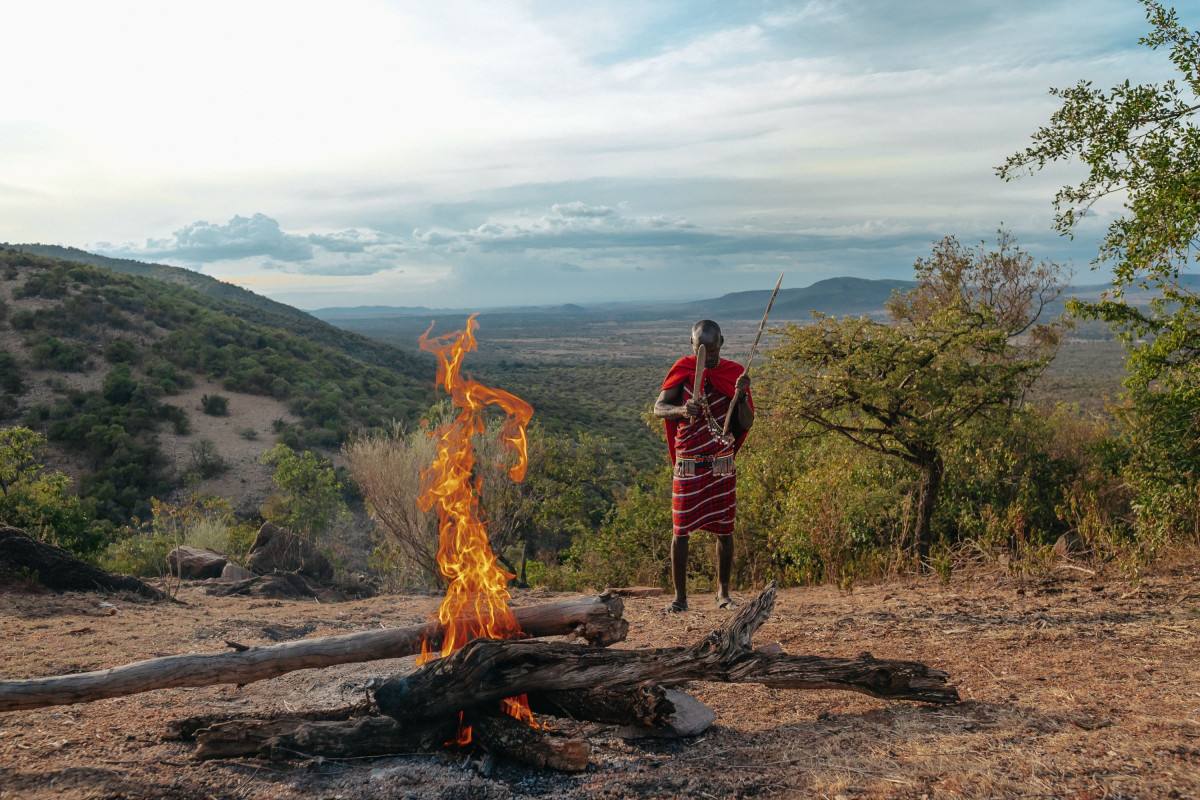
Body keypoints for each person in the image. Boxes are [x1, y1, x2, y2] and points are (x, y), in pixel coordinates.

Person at [654, 319, 754, 612]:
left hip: (721, 462)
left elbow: (746, 423)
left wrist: (742, 396)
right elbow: (658, 408)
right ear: (692, 346)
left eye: (712, 349)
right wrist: (682, 410)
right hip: (688, 462)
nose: (708, 355)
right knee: (680, 530)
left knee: (725, 528)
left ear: (722, 342)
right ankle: (680, 598)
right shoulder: (683, 371)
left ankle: (723, 594)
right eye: (701, 349)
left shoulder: (734, 374)